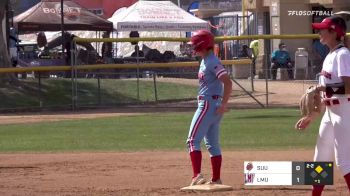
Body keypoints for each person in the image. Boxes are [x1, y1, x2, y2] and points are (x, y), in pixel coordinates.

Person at [296, 15, 350, 196]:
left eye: (322, 28)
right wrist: (311, 116)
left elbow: (348, 87)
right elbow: (324, 94)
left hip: (344, 111)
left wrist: (321, 87)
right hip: (330, 112)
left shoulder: (343, 54)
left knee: (344, 161)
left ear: (334, 32)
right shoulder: (329, 55)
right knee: (320, 160)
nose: (318, 31)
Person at [186, 30, 232, 186]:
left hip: (207, 104)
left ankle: (197, 175)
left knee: (192, 140)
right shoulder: (206, 60)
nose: (193, 49)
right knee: (212, 145)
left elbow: (227, 81)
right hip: (213, 104)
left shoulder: (211, 61)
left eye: (195, 46)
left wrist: (224, 103)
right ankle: (216, 179)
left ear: (202, 45)